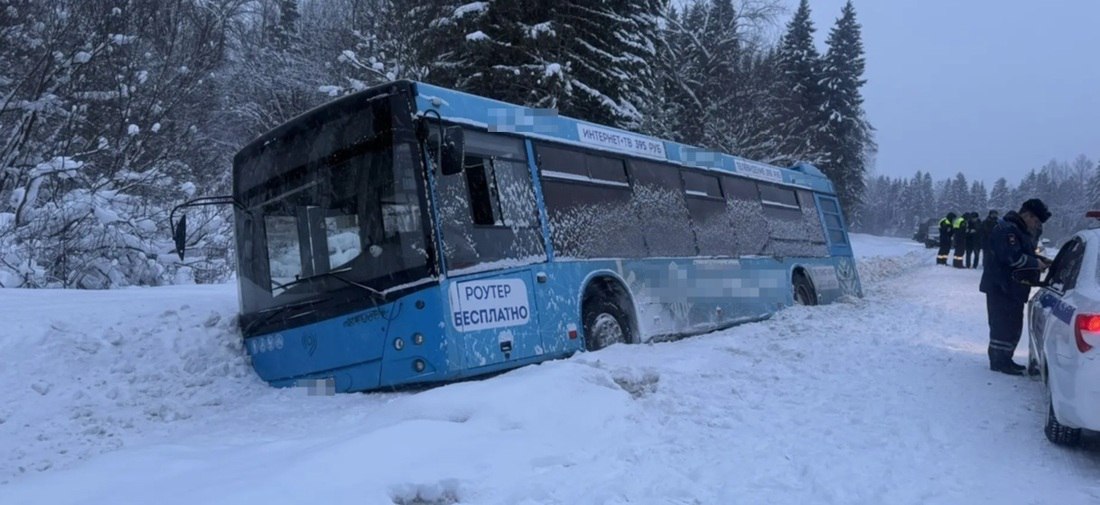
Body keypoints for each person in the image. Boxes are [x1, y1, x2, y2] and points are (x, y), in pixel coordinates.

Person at [979, 198, 1052, 375]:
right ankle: (999, 361)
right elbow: (1012, 258)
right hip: (1002, 286)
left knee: (1011, 324)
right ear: (1027, 215)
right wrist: (1035, 263)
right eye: (1035, 221)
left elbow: (1023, 253)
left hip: (1012, 287)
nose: (1036, 225)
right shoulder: (1008, 230)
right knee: (1002, 325)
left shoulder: (1019, 230)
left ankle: (1006, 358)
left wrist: (1040, 260)